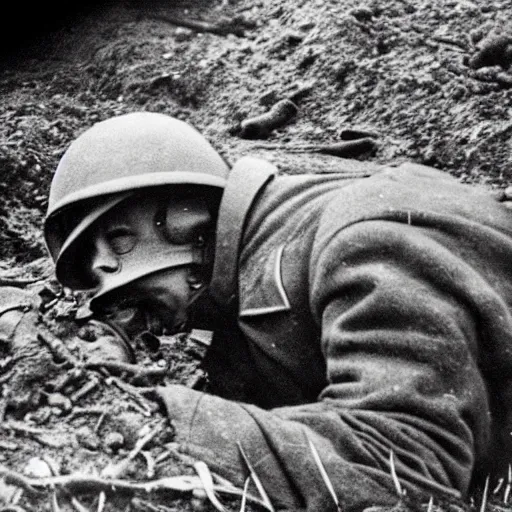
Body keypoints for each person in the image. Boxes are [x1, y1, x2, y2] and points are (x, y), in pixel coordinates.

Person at [43, 111, 512, 512]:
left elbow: (404, 465)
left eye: (118, 239)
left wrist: (154, 417)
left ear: (185, 214)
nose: (104, 271)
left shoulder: (365, 236)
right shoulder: (247, 297)